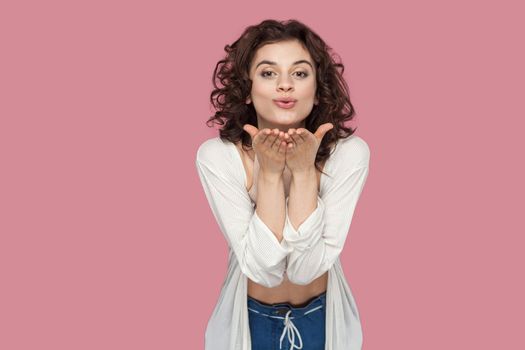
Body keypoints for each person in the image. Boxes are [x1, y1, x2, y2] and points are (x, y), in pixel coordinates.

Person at [195, 19, 370, 350]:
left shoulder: (348, 155)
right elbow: (264, 271)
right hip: (249, 324)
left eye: (300, 73)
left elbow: (306, 270)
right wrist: (271, 175)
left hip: (322, 323)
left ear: (317, 91)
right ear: (247, 89)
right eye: (268, 73)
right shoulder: (217, 157)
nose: (285, 85)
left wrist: (304, 172)